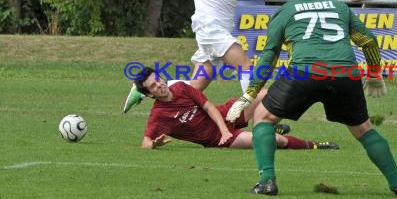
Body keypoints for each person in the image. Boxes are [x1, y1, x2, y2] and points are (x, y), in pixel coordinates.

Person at [226, 0, 397, 198]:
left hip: (304, 73)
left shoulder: (285, 11)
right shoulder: (339, 7)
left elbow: (269, 57)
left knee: (263, 117)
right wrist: (374, 73)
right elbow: (369, 41)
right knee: (364, 129)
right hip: (345, 74)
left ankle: (267, 182)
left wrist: (250, 94)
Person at [122, 0, 274, 113]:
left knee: (194, 87)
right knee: (245, 65)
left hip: (222, 31)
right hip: (208, 29)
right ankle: (261, 115)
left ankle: (142, 91)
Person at [135, 66, 339, 150]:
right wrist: (155, 144)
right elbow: (145, 143)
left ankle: (264, 124)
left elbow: (208, 107)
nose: (159, 85)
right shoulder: (159, 115)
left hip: (226, 114)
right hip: (218, 139)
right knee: (275, 141)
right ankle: (315, 145)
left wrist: (225, 128)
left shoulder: (180, 87)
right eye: (153, 86)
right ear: (150, 94)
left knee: (265, 94)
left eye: (158, 80)